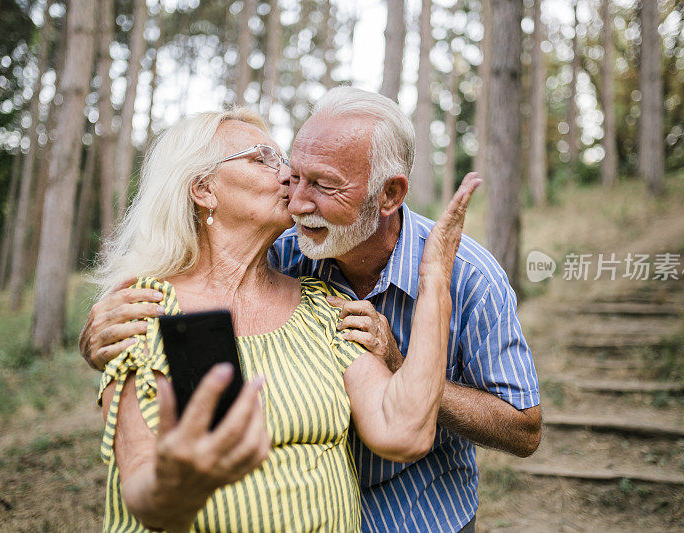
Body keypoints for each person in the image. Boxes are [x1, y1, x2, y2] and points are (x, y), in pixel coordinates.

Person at [81, 88, 541, 532]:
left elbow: (424, 428)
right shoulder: (149, 310)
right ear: (202, 188)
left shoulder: (327, 301)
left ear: (388, 196)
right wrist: (176, 484)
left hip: (419, 512)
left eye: (319, 182)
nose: (293, 189)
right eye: (272, 162)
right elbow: (142, 486)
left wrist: (432, 285)